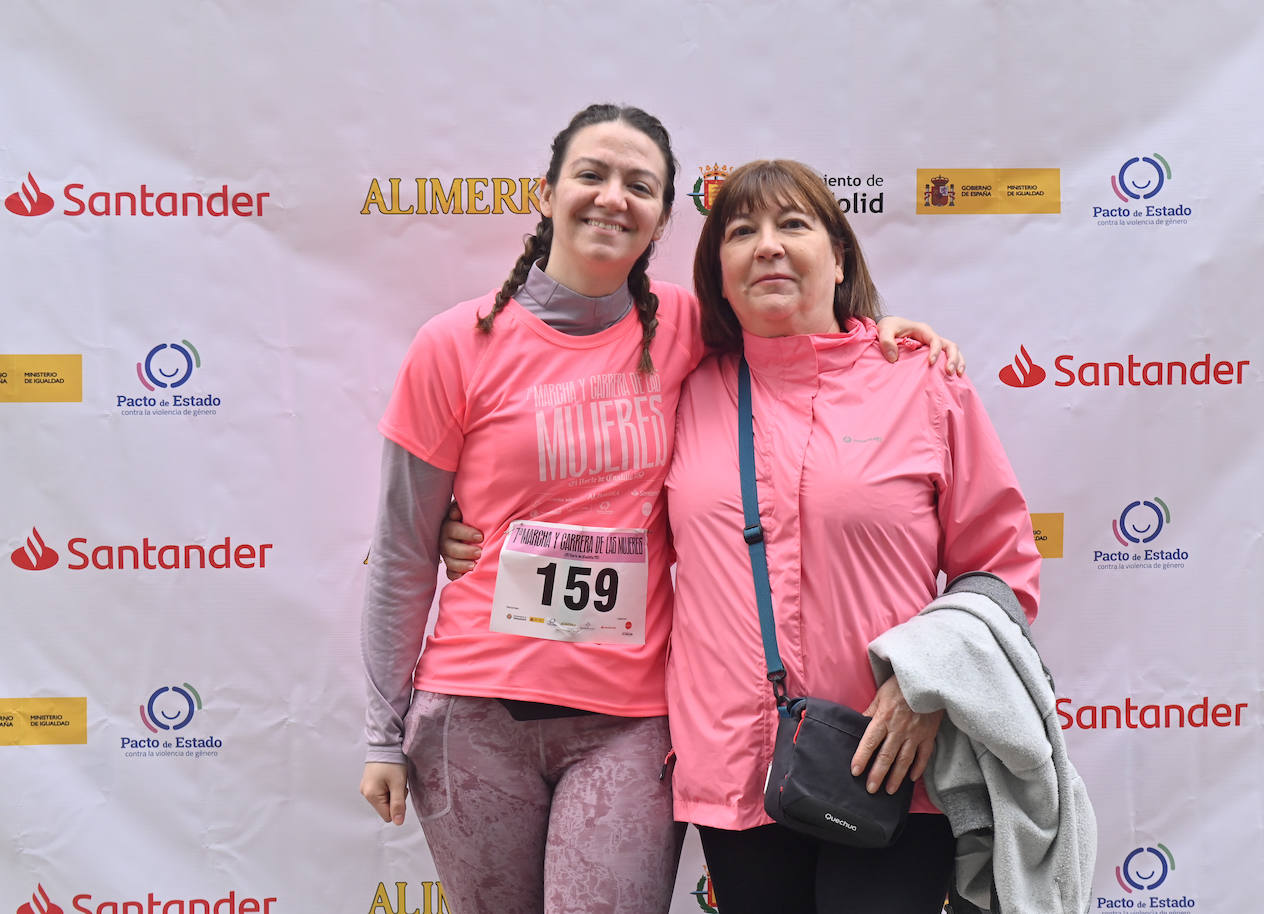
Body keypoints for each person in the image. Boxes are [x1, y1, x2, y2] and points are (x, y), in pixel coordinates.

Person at [360, 106, 962, 914]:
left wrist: (876, 335)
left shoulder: (686, 325)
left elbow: (798, 341)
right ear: (545, 193)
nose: (612, 198)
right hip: (473, 705)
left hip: (631, 718)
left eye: (638, 185)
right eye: (590, 175)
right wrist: (380, 728)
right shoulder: (453, 342)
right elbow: (401, 551)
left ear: (662, 218)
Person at [661, 159, 1041, 914]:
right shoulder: (682, 389)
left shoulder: (922, 382)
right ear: (720, 277)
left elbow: (1001, 569)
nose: (767, 245)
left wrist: (925, 686)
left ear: (840, 259)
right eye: (742, 232)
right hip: (737, 767)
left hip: (893, 760)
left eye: (793, 225)